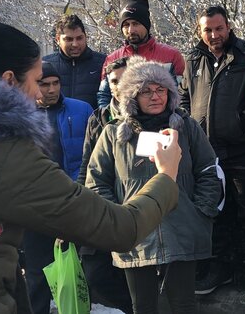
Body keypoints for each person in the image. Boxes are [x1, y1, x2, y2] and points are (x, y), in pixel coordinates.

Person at [0, 21, 182, 313]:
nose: (39, 94)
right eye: (36, 81)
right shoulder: (4, 154)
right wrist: (166, 177)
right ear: (8, 81)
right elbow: (119, 228)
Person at [87, 56, 222, 314]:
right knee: (143, 307)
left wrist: (200, 212)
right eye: (145, 91)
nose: (155, 96)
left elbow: (208, 170)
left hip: (183, 227)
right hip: (133, 233)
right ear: (131, 97)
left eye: (161, 89)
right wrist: (117, 219)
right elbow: (96, 181)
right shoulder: (114, 133)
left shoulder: (187, 127)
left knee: (184, 304)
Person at [180, 5, 245, 298]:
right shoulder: (192, 59)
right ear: (199, 31)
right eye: (208, 30)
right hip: (205, 151)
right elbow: (183, 97)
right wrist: (186, 124)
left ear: (228, 26)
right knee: (213, 213)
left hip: (241, 149)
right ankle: (220, 268)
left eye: (219, 28)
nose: (214, 35)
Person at [21, 62, 93, 314]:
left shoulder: (81, 109)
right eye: (44, 84)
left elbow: (91, 155)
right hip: (36, 205)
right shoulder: (21, 115)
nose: (51, 90)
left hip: (73, 199)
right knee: (37, 272)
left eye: (55, 83)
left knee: (76, 269)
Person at [76, 56, 134, 314]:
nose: (119, 85)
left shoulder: (150, 115)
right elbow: (86, 164)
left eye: (124, 79)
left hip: (135, 205)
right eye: (113, 81)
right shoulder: (98, 118)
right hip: (102, 204)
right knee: (96, 272)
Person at [98, 0, 185, 108]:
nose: (131, 30)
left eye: (136, 24)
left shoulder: (171, 56)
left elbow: (181, 94)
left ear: (146, 25)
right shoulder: (112, 59)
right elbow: (104, 96)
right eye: (126, 25)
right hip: (124, 122)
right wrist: (109, 120)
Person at [43, 14, 107, 109]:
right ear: (57, 39)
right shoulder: (46, 65)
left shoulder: (103, 63)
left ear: (86, 37)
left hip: (93, 123)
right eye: (69, 39)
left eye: (79, 38)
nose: (75, 44)